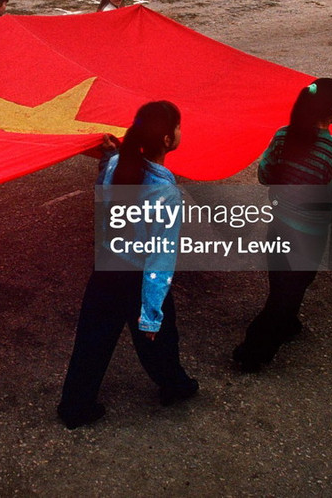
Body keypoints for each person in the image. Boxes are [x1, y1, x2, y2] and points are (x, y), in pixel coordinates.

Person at [57, 101, 198, 429]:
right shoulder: (165, 193)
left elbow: (103, 197)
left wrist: (108, 157)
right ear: (166, 140)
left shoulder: (116, 164)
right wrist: (150, 315)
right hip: (137, 278)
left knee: (92, 342)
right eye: (177, 127)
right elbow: (160, 260)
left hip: (106, 269)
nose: (180, 132)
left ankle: (75, 407)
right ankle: (174, 386)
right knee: (159, 339)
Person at [232, 78, 332, 372]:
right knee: (288, 291)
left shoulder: (282, 137)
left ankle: (289, 324)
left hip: (277, 227)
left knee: (282, 282)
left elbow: (264, 174)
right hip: (309, 237)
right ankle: (252, 352)